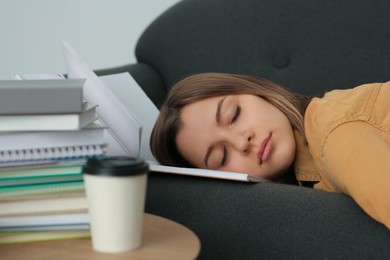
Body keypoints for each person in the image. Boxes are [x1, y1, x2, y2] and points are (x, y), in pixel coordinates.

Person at [150, 72, 390, 229]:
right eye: (221, 157)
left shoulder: (334, 136)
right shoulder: (306, 177)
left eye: (235, 115)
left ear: (256, 91)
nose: (243, 142)